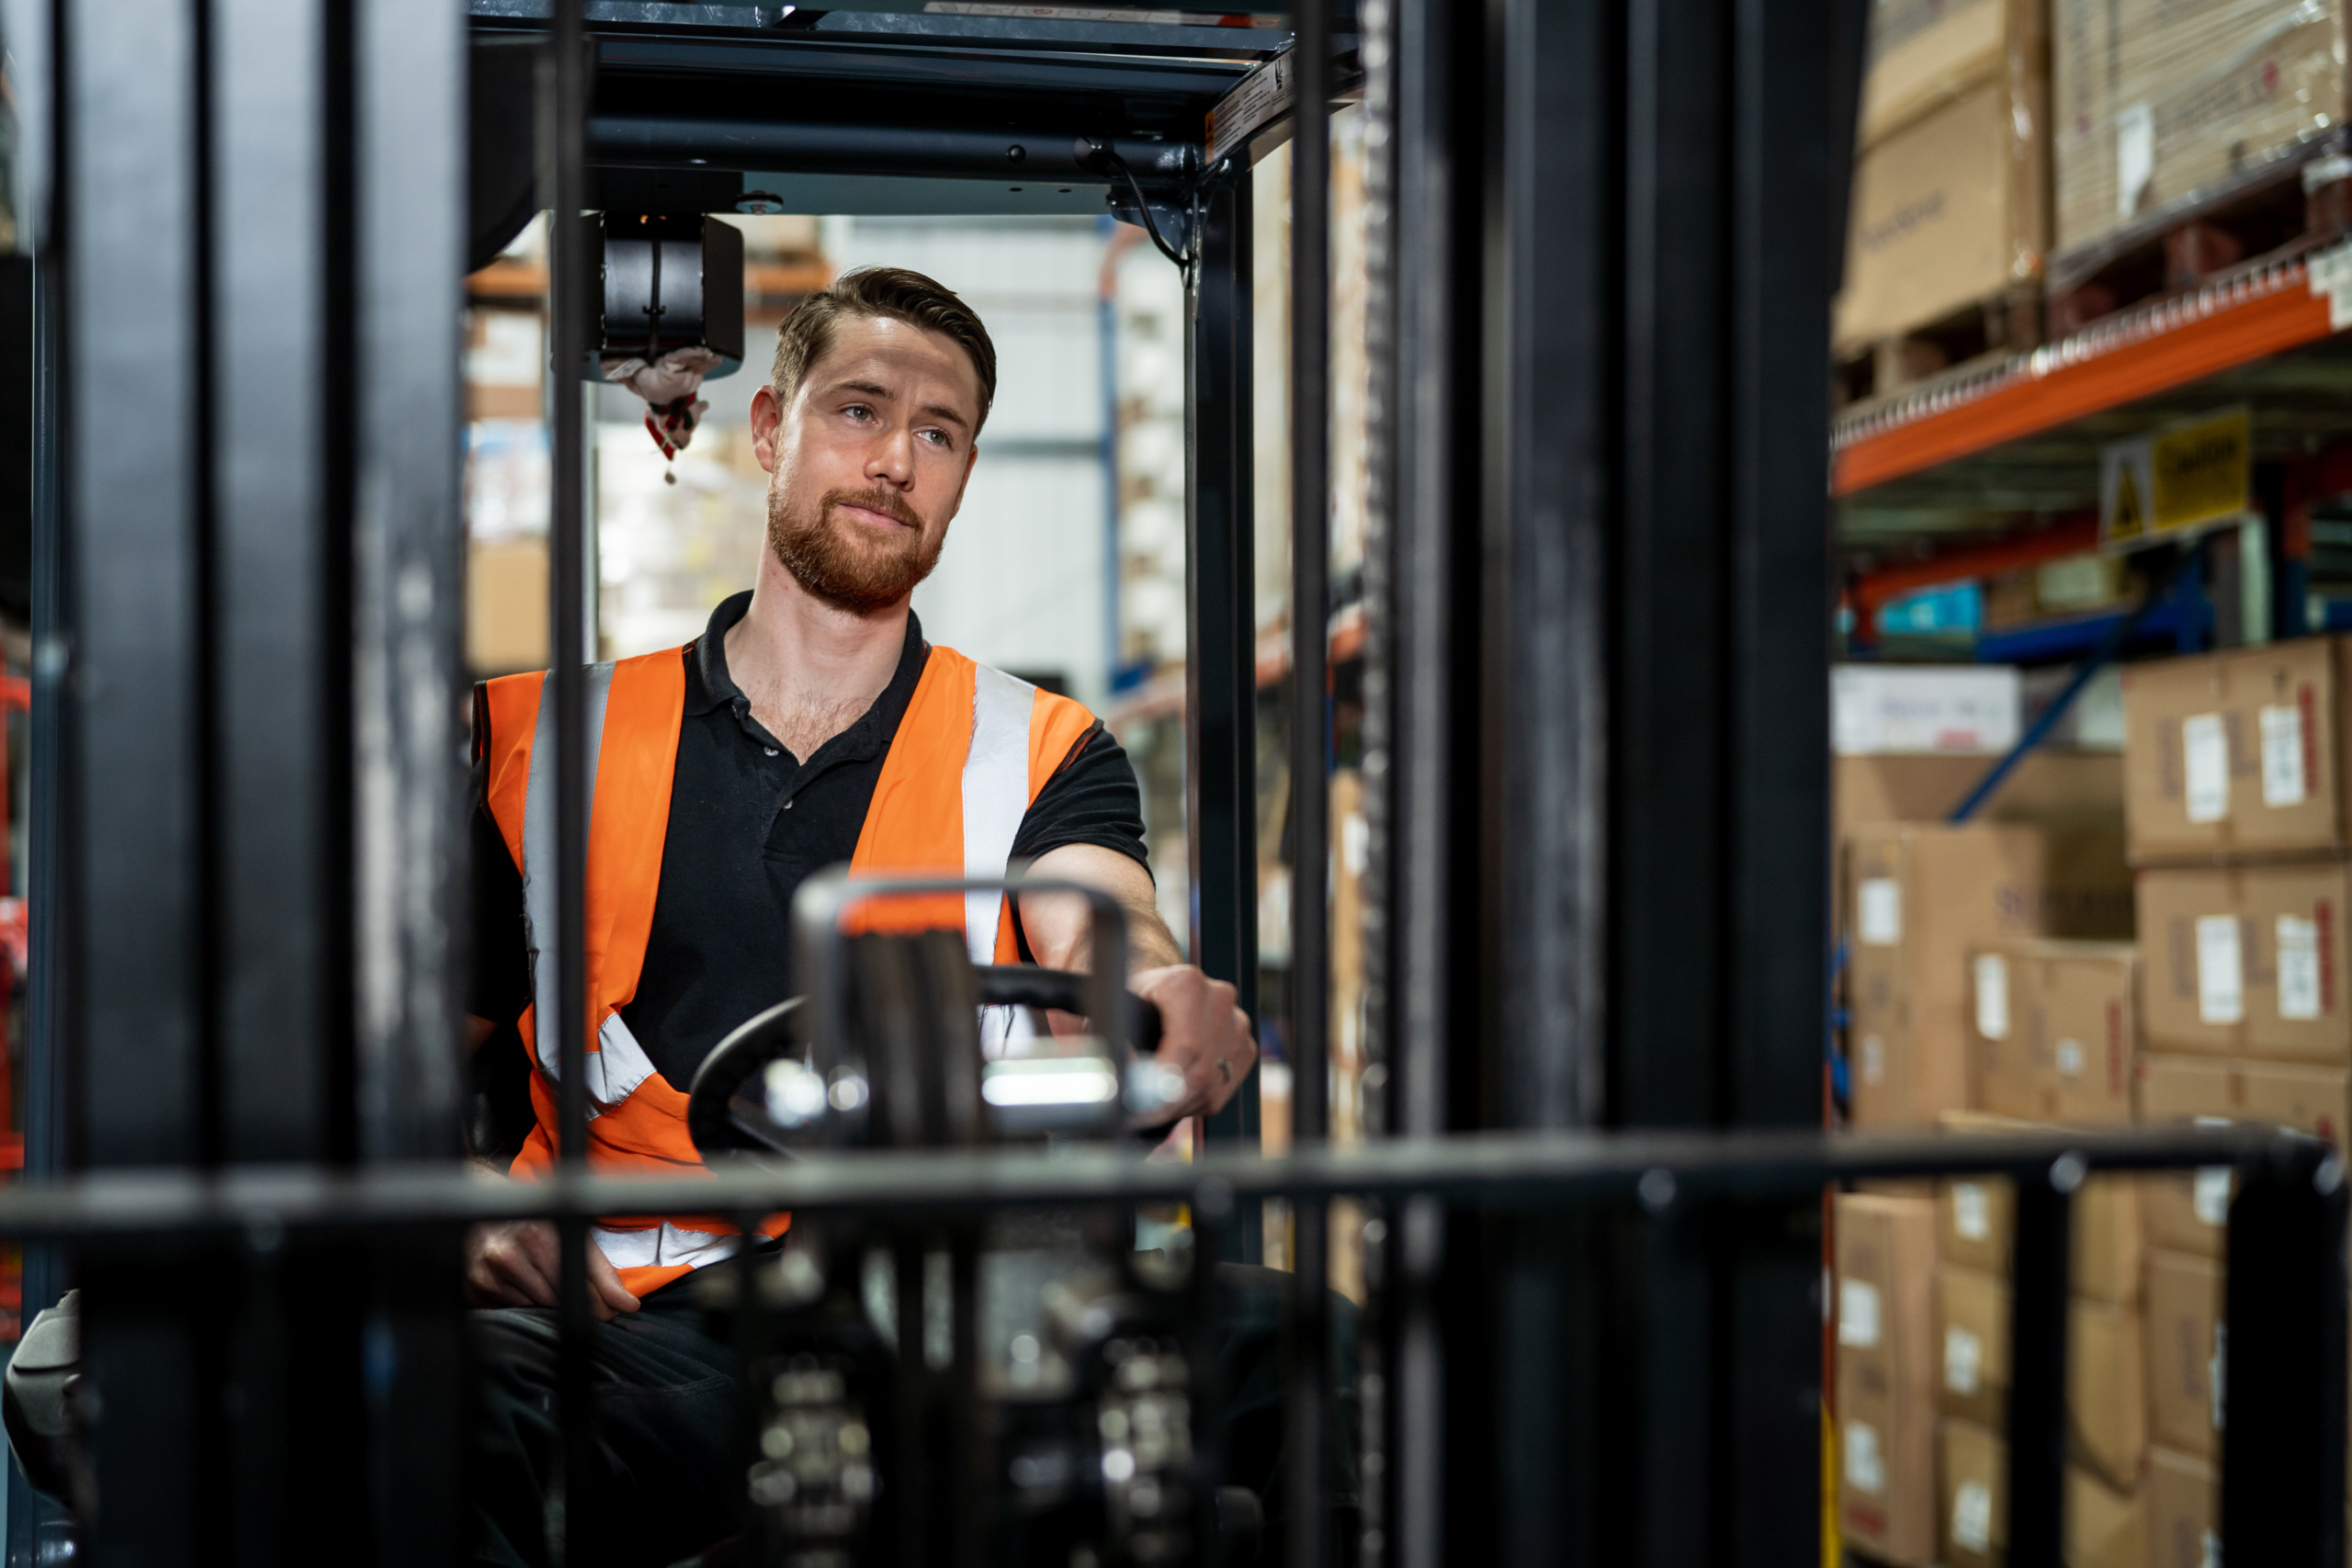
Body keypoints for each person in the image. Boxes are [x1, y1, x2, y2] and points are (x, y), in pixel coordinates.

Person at [458, 266, 1261, 1568]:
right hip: (625, 1329)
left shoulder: (1041, 746)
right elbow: (384, 1071)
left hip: (942, 1317)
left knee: (1294, 1353)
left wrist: (1163, 993)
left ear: (964, 475)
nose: (895, 460)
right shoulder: (538, 738)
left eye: (937, 435)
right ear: (770, 427)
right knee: (416, 1406)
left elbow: (1102, 920)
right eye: (859, 412)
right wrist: (458, 1199)